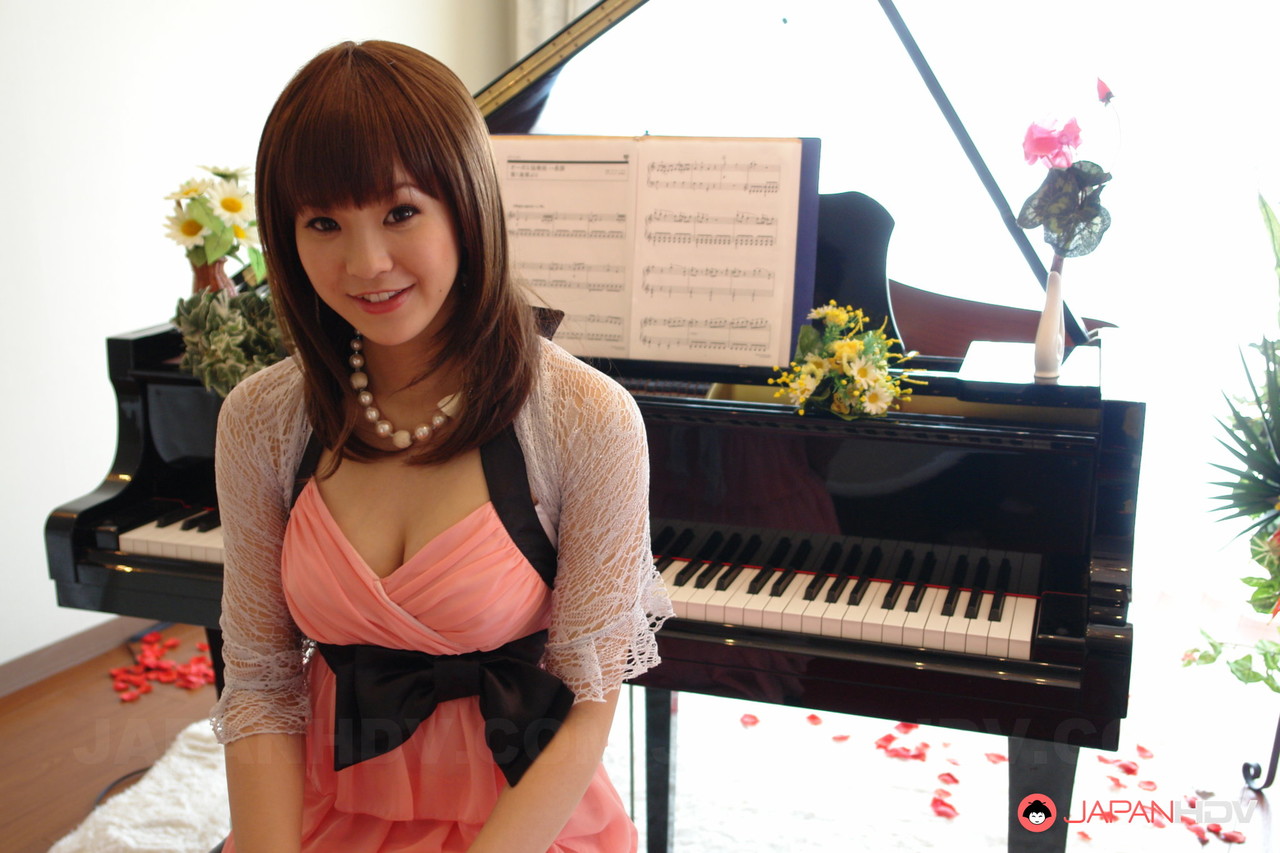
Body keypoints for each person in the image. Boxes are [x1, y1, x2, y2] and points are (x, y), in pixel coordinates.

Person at [210, 40, 671, 853]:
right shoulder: (261, 419)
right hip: (330, 803)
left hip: (524, 819)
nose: (366, 263)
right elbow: (259, 683)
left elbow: (587, 694)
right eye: (324, 223)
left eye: (400, 212)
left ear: (467, 204)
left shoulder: (587, 417)